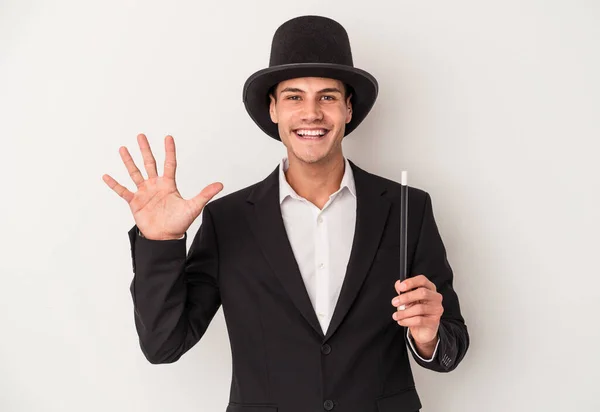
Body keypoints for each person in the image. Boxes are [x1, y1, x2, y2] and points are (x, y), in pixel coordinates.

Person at [103, 15, 469, 412]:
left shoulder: (407, 209)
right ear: (273, 109)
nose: (311, 113)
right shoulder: (228, 221)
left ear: (348, 109)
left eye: (327, 97)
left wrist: (429, 336)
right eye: (294, 97)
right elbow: (164, 344)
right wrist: (160, 243)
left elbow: (453, 344)